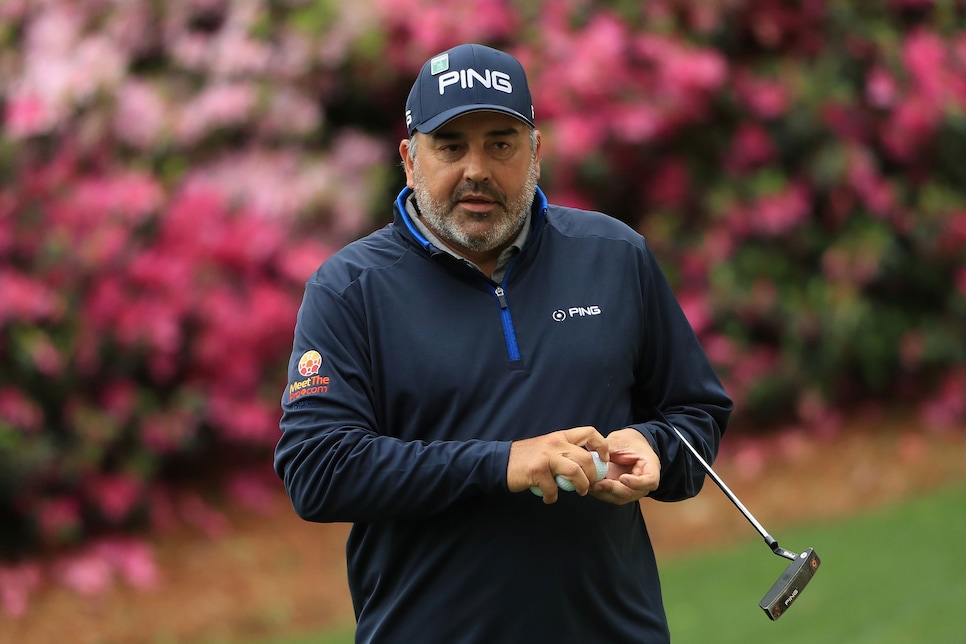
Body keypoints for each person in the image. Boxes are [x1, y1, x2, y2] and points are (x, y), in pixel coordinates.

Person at [275, 43, 732, 643]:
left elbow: (695, 414)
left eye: (500, 142)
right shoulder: (349, 290)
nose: (477, 169)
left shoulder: (614, 257)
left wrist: (653, 448)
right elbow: (317, 468)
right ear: (410, 160)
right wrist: (503, 462)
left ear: (535, 152)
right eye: (450, 146)